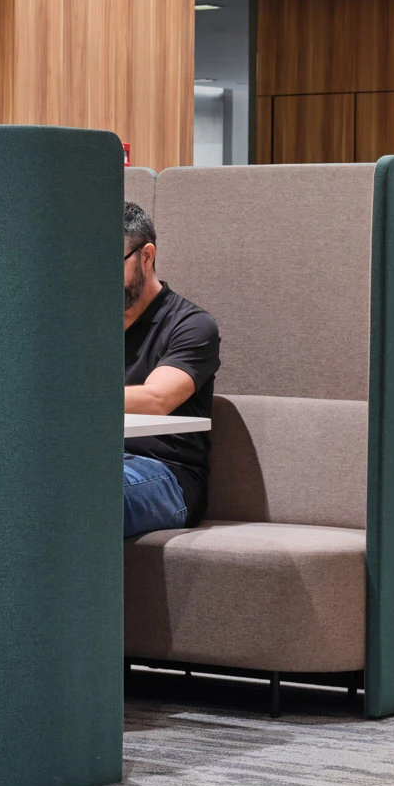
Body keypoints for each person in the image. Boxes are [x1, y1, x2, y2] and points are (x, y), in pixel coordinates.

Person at [122, 201, 220, 539]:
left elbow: (156, 399)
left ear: (146, 256)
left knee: (80, 496)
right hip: (92, 458)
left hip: (167, 475)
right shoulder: (82, 324)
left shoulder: (191, 325)